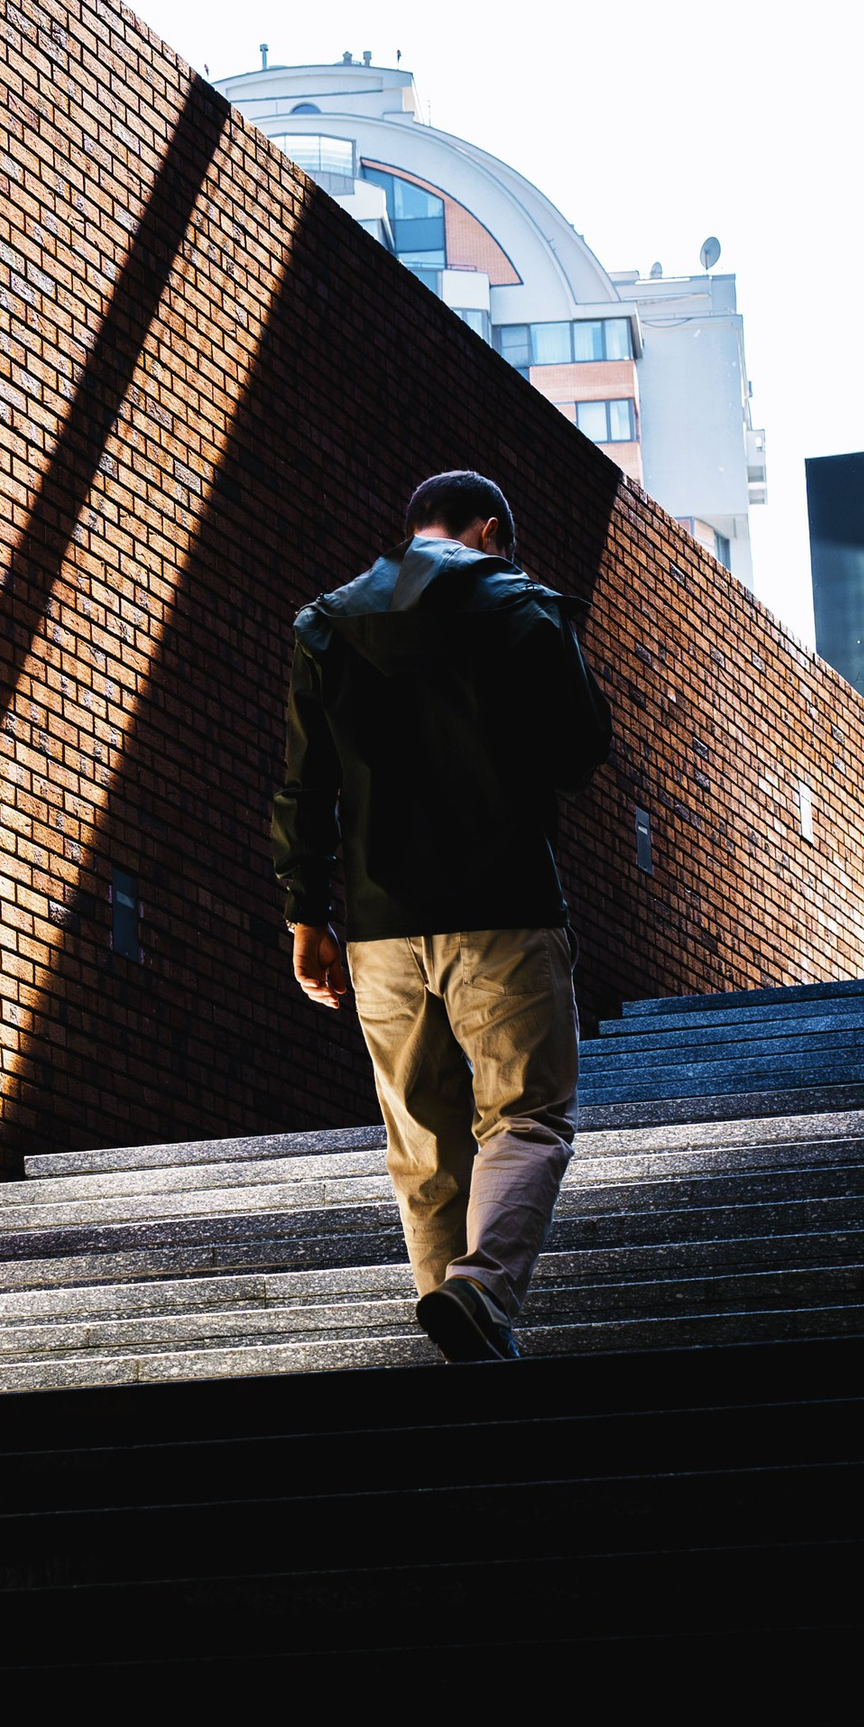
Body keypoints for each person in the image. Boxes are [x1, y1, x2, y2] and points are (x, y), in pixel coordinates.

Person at [271, 470, 611, 1365]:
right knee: (527, 1117)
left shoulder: (329, 622)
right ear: (490, 533)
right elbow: (580, 754)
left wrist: (308, 916)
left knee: (422, 1140)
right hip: (505, 909)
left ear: (417, 527)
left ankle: (452, 1328)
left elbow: (306, 787)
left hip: (380, 927)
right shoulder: (523, 607)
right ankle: (480, 1292)